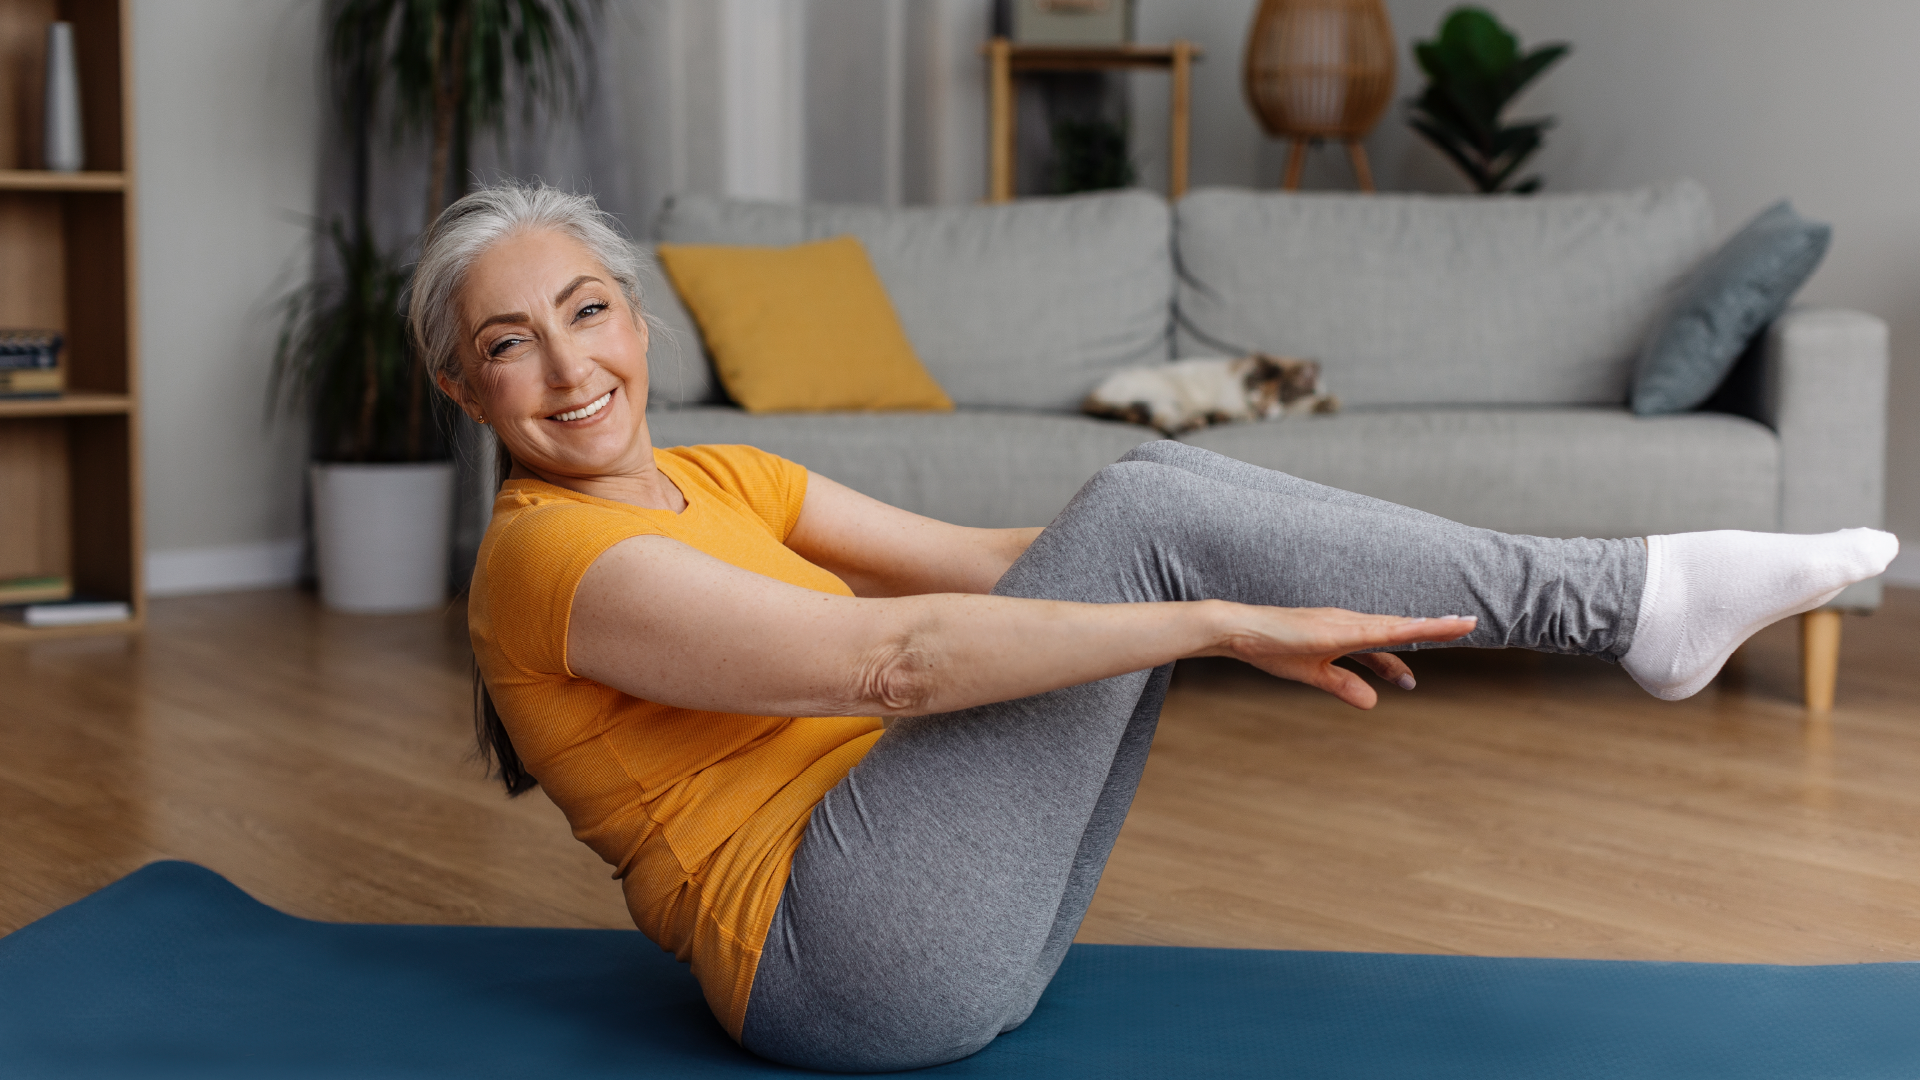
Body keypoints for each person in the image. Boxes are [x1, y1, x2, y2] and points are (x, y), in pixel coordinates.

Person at [416, 182, 1895, 1073]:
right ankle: (1623, 600)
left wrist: (1267, 544)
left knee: (1147, 496)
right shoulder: (546, 562)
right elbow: (897, 663)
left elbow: (1001, 561)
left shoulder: (720, 474)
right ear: (464, 389)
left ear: (638, 322)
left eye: (587, 311)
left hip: (951, 932)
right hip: (837, 963)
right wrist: (1211, 617)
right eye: (508, 344)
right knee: (1148, 512)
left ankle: (1629, 599)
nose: (568, 365)